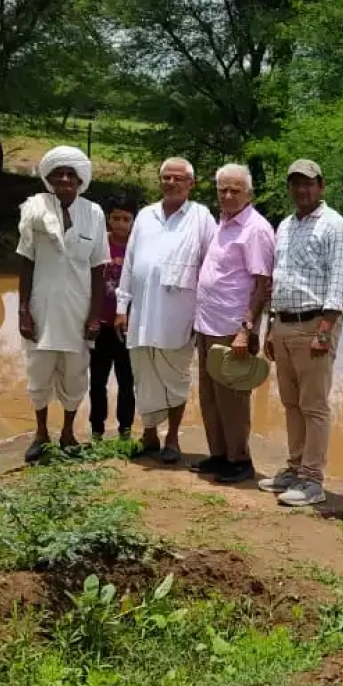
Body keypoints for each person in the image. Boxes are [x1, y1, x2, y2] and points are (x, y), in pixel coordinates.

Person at [258, 159, 343, 506]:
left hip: (315, 324)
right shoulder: (285, 226)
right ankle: (295, 468)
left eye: (308, 183)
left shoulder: (334, 226)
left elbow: (339, 281)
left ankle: (312, 479)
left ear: (321, 186)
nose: (302, 189)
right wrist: (271, 326)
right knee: (290, 403)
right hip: (284, 324)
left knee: (314, 406)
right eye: (295, 183)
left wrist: (325, 331)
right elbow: (280, 277)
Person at [115, 158, 216, 463]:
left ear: (191, 184)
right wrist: (121, 307)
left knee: (176, 378)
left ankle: (172, 438)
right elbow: (130, 263)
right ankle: (149, 435)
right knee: (143, 376)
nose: (171, 183)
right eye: (166, 177)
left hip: (179, 316)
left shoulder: (201, 217)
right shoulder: (146, 215)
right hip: (141, 313)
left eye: (178, 178)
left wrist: (203, 314)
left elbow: (211, 268)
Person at [16, 146, 109, 462]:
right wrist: (23, 311)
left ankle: (68, 433)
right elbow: (27, 262)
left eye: (72, 174)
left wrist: (94, 316)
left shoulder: (94, 213)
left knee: (75, 374)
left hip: (78, 311)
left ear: (81, 180)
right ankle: (41, 434)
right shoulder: (35, 209)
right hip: (41, 309)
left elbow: (99, 268)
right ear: (50, 178)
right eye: (59, 174)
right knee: (38, 373)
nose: (66, 179)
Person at [192, 164, 274, 484]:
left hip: (232, 328)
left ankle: (239, 460)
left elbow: (262, 285)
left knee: (232, 399)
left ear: (248, 194)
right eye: (222, 190)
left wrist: (246, 329)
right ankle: (219, 454)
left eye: (234, 190)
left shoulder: (256, 229)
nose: (227, 195)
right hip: (207, 323)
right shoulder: (222, 223)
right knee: (210, 395)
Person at [89, 193, 138, 441]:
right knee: (97, 381)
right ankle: (97, 430)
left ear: (133, 221)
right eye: (116, 218)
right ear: (108, 219)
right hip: (100, 325)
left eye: (126, 219)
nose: (120, 224)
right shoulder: (98, 244)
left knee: (126, 381)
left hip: (127, 327)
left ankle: (125, 430)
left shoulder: (138, 248)